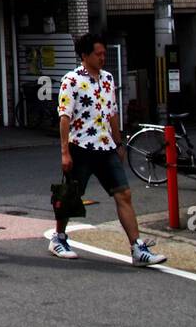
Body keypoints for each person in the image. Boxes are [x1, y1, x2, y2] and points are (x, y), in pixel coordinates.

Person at [55, 33, 166, 266]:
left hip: (105, 147)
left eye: (104, 53)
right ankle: (59, 237)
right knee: (70, 196)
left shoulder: (107, 79)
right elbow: (64, 117)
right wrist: (65, 152)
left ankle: (137, 248)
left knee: (124, 193)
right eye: (98, 54)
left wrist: (119, 142)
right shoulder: (71, 80)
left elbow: (112, 114)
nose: (103, 58)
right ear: (84, 55)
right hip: (80, 146)